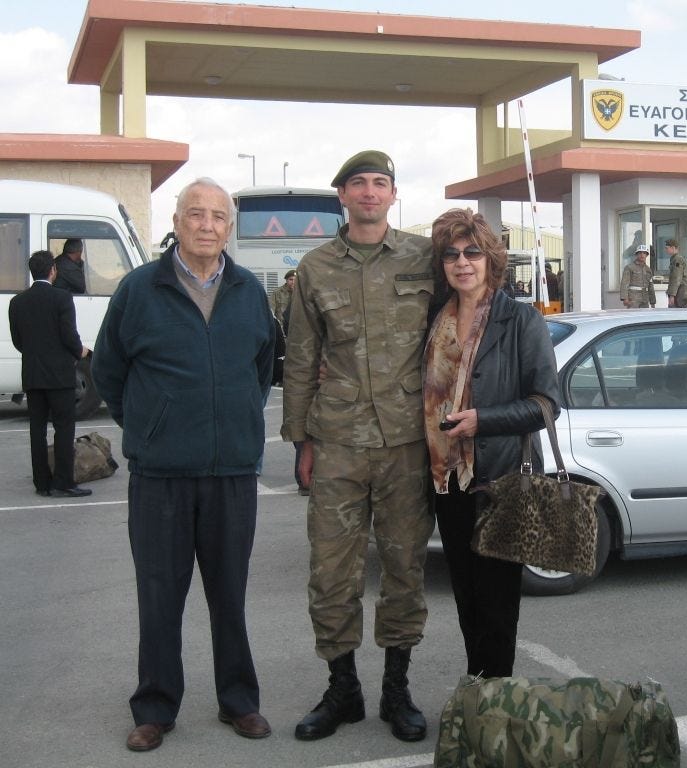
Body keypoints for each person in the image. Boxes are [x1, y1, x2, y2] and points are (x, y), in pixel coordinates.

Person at [91, 177, 277, 752]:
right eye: (195, 213)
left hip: (231, 475)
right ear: (176, 220)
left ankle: (239, 701)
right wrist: (150, 427)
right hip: (160, 477)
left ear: (228, 227)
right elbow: (108, 372)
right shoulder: (138, 289)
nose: (206, 224)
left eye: (218, 216)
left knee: (230, 595)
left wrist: (236, 422)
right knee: (159, 595)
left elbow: (264, 366)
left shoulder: (250, 292)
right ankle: (154, 708)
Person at [281, 150, 434, 744]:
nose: (369, 193)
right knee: (331, 572)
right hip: (339, 441)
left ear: (393, 195)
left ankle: (397, 690)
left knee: (404, 567)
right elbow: (300, 359)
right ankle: (342, 688)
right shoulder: (316, 268)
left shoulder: (424, 257)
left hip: (407, 444)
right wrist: (301, 441)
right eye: (358, 184)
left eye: (380, 183)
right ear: (341, 196)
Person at [424, 208, 560, 679]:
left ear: (491, 259)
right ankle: (476, 688)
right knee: (466, 598)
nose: (463, 262)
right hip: (448, 482)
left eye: (473, 252)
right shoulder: (433, 321)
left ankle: (495, 694)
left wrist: (483, 420)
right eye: (452, 254)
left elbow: (546, 405)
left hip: (501, 482)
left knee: (498, 604)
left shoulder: (520, 320)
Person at [8, 250, 91, 498]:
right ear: (53, 270)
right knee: (64, 428)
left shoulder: (17, 302)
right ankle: (63, 482)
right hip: (60, 376)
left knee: (37, 430)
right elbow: (69, 336)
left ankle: (41, 483)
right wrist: (81, 351)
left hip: (33, 375)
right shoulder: (62, 298)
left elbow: (18, 341)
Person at [620, 244, 656, 308]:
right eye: (640, 253)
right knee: (633, 316)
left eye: (644, 253)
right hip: (633, 299)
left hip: (645, 299)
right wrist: (625, 298)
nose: (642, 255)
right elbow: (624, 283)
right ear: (636, 255)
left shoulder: (648, 270)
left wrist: (653, 302)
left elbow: (651, 287)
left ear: (647, 255)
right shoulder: (629, 267)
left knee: (644, 317)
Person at [665, 238, 687, 308]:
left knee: (675, 314)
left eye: (667, 248)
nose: (666, 250)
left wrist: (672, 295)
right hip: (677, 291)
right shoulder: (674, 258)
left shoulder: (677, 259)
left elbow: (676, 278)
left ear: (672, 248)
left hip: (678, 292)